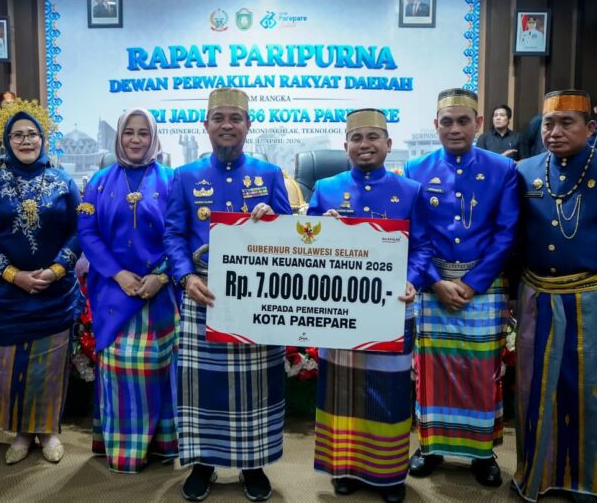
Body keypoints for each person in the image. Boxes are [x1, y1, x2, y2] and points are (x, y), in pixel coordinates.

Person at [164, 88, 291, 502]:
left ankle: (254, 464)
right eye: (218, 117)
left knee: (257, 384)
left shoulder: (269, 174)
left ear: (248, 125)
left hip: (257, 295)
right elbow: (173, 234)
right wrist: (185, 277)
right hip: (204, 291)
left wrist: (273, 219)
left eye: (235, 118)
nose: (227, 125)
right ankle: (203, 464)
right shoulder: (185, 175)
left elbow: (290, 236)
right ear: (205, 125)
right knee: (203, 385)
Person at [309, 109, 434, 503]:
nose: (365, 145)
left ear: (388, 144)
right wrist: (320, 230)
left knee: (389, 390)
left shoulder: (410, 190)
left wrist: (412, 281)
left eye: (373, 137)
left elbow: (423, 247)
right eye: (356, 138)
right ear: (345, 145)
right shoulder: (325, 189)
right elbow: (303, 244)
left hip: (391, 308)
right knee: (341, 389)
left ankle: (389, 474)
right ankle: (343, 468)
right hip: (338, 309)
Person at [512, 89, 597, 503]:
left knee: (592, 392)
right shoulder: (524, 170)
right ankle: (535, 475)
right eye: (549, 123)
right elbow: (515, 238)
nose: (555, 132)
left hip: (593, 300)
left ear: (591, 127)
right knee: (534, 390)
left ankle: (587, 481)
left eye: (567, 123)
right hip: (536, 297)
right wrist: (512, 295)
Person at [404, 88, 519, 487]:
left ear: (479, 123)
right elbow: (412, 233)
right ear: (435, 125)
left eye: (463, 121)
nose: (455, 129)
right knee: (431, 372)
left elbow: (506, 234)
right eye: (447, 122)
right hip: (432, 284)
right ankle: (430, 447)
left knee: (481, 371)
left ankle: (482, 453)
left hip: (482, 285)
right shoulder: (415, 168)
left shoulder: (503, 169)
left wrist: (471, 284)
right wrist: (435, 282)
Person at [0, 102, 81, 465]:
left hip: (54, 293)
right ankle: (20, 432)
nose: (26, 140)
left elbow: (80, 230)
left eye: (32, 134)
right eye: (17, 135)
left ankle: (47, 431)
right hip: (7, 295)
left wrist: (57, 270)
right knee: (9, 367)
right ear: (7, 141)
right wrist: (13, 274)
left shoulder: (63, 180)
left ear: (43, 138)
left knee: (49, 367)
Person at [78, 108, 179, 473]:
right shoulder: (99, 181)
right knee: (120, 370)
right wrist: (118, 274)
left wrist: (161, 277)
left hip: (160, 293)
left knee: (160, 368)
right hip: (114, 292)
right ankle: (126, 452)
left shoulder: (172, 180)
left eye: (143, 133)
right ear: (118, 137)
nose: (135, 140)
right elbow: (87, 232)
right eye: (128, 132)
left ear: (154, 138)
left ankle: (163, 446)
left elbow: (180, 233)